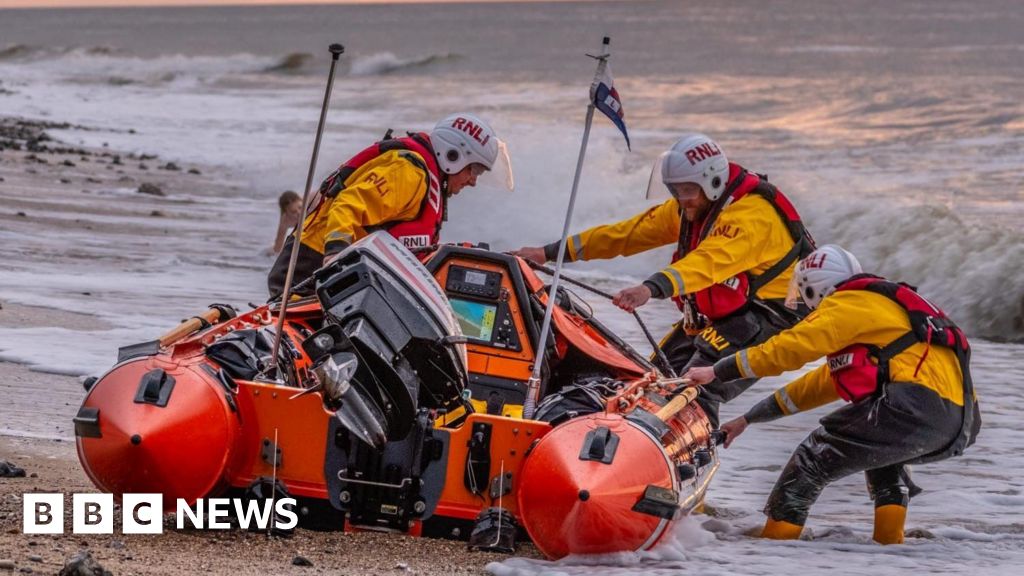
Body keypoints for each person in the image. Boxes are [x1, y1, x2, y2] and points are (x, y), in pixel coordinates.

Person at [684, 245, 980, 544]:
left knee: (812, 458)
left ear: (814, 288)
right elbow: (822, 383)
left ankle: (775, 542)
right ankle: (890, 543)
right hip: (958, 422)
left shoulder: (849, 303)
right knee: (881, 457)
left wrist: (718, 371)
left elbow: (790, 348)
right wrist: (748, 419)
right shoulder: (881, 310)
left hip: (915, 407)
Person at [513, 133, 814, 426]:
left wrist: (650, 288)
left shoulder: (751, 217)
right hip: (731, 312)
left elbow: (705, 264)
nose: (681, 200)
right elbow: (627, 234)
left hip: (772, 316)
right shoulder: (693, 206)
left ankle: (686, 453)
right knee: (649, 379)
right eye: (675, 190)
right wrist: (548, 252)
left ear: (713, 183)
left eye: (687, 190)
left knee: (695, 388)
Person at [268, 113, 510, 298]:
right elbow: (347, 206)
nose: (473, 181)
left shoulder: (425, 180)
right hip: (308, 271)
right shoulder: (408, 174)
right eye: (474, 169)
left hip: (343, 276)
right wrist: (334, 254)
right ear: (453, 156)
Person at [271, 190, 303, 255]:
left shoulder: (310, 203)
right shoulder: (285, 220)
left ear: (302, 201)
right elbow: (277, 249)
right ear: (286, 213)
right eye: (293, 212)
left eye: (300, 207)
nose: (299, 213)